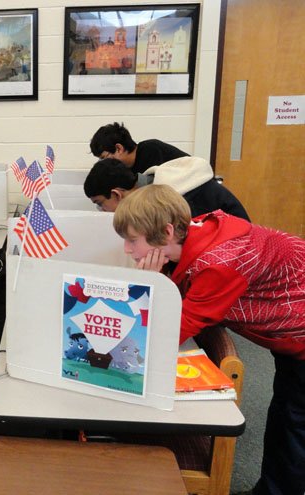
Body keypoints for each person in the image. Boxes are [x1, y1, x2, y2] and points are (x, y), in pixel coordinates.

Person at [112, 184, 305, 495]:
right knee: (286, 418)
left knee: (295, 424)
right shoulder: (200, 232)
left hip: (300, 333)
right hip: (291, 331)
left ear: (167, 231)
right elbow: (187, 293)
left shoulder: (220, 263)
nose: (127, 249)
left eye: (133, 240)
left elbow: (172, 332)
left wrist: (150, 282)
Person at [84, 156, 250, 220]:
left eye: (100, 203)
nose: (101, 210)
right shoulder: (157, 190)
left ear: (117, 194)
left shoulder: (178, 202)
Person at [89, 122, 189, 174]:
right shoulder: (128, 168)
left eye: (104, 157)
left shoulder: (151, 150)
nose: (105, 163)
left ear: (119, 148)